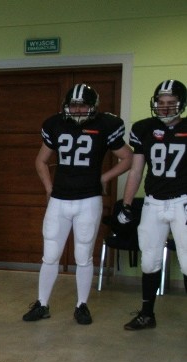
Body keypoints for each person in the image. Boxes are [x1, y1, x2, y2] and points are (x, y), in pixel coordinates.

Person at [22, 84, 133, 325]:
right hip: (60, 199)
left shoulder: (106, 124)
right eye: (74, 104)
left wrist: (104, 177)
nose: (78, 109)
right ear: (66, 105)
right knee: (50, 255)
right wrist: (49, 188)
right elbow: (41, 160)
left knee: (83, 255)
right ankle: (42, 304)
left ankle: (82, 305)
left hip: (88, 199)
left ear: (93, 106)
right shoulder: (55, 124)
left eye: (82, 105)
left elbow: (128, 157)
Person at [119, 79, 187, 330]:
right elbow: (136, 171)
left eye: (171, 103)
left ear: (182, 104)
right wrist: (127, 204)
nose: (165, 108)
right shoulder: (143, 128)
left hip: (183, 202)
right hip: (153, 202)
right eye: (161, 103)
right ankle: (147, 314)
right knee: (149, 261)